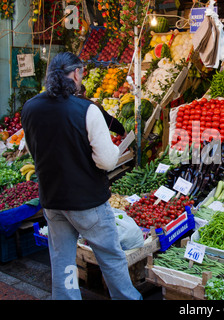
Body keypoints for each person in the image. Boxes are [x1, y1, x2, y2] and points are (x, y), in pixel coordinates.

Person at [21, 52, 142, 300]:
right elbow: (107, 161)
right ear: (76, 74)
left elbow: (34, 151)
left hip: (53, 200)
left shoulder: (30, 108)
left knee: (62, 259)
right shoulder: (87, 110)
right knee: (110, 257)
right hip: (87, 202)